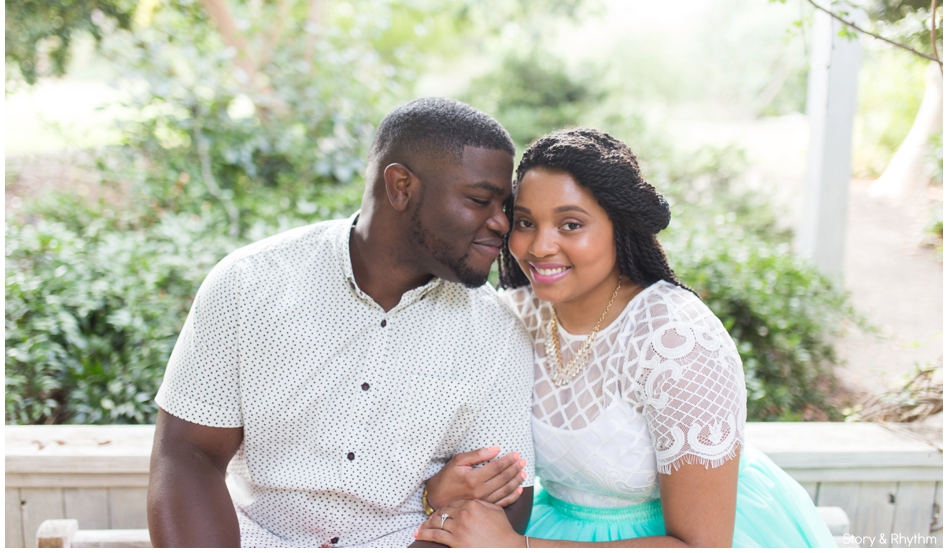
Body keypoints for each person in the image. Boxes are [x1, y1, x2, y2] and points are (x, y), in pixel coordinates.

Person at [416, 128, 837, 548]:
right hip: (554, 525)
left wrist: (518, 548)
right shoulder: (515, 314)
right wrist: (438, 490)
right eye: (526, 222)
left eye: (570, 224)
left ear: (620, 226)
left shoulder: (676, 341)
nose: (540, 246)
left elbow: (703, 545)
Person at [147, 98, 536, 547]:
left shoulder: (497, 332)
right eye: (479, 200)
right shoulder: (248, 285)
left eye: (504, 205)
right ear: (401, 186)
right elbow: (188, 454)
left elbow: (504, 498)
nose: (502, 223)